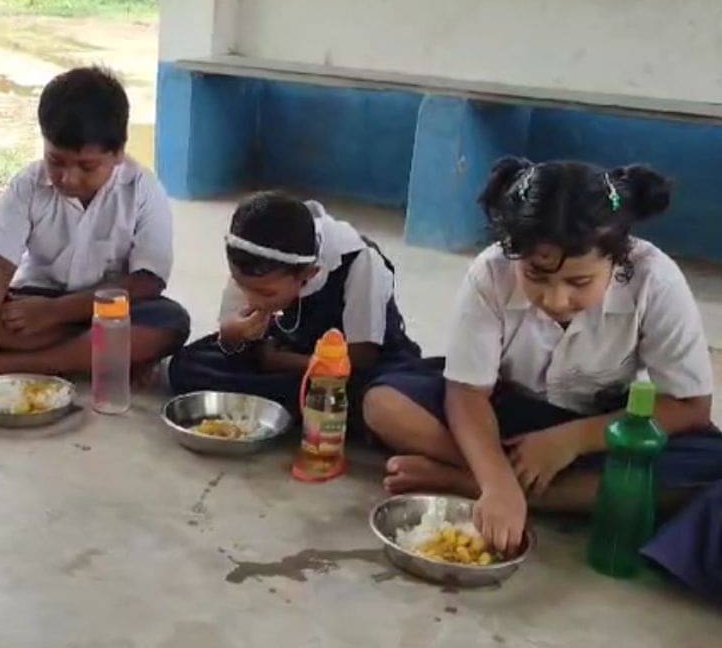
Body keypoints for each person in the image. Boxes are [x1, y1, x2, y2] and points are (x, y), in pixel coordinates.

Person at [363, 158, 722, 554]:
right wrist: (497, 479)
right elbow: (467, 395)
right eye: (536, 276)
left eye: (579, 282)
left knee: (708, 467)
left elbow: (690, 406)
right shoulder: (491, 272)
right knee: (384, 403)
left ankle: (463, 481)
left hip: (600, 423)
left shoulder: (655, 278)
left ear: (618, 258)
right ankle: (505, 487)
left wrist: (570, 441)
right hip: (503, 413)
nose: (556, 299)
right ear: (513, 253)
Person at [0, 67, 190, 377]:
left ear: (118, 153)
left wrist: (56, 313)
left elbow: (147, 282)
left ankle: (7, 364)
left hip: (107, 306)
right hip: (35, 301)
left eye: (87, 166)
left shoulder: (143, 189)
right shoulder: (28, 184)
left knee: (169, 322)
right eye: (56, 161)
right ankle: (99, 355)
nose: (69, 177)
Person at [168, 191, 423, 435]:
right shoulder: (255, 254)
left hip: (349, 365)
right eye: (242, 285)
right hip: (287, 348)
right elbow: (230, 335)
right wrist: (232, 334)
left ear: (307, 274)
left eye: (266, 294)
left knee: (365, 395)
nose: (251, 299)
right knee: (186, 364)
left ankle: (287, 403)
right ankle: (294, 407)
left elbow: (361, 357)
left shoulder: (360, 263)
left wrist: (277, 361)